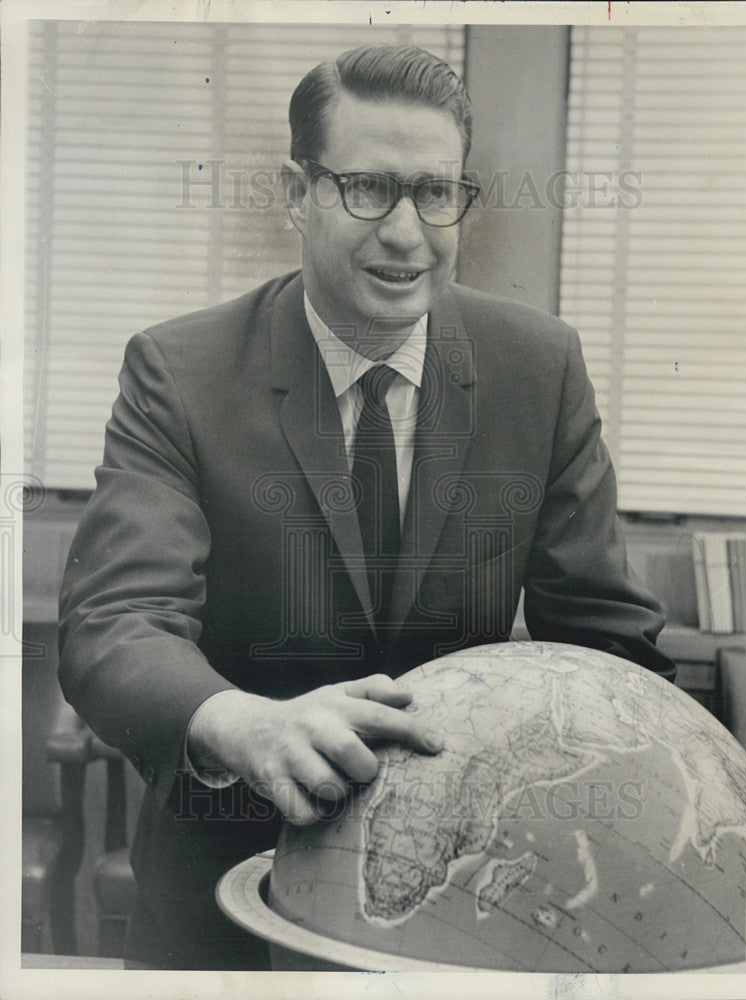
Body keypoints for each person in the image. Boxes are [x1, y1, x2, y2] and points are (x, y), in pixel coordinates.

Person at [58, 43, 675, 970]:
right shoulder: (178, 372)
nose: (406, 232)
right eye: (366, 188)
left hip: (472, 906)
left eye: (436, 191)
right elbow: (114, 624)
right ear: (296, 193)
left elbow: (606, 640)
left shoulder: (539, 368)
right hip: (227, 902)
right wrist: (242, 722)